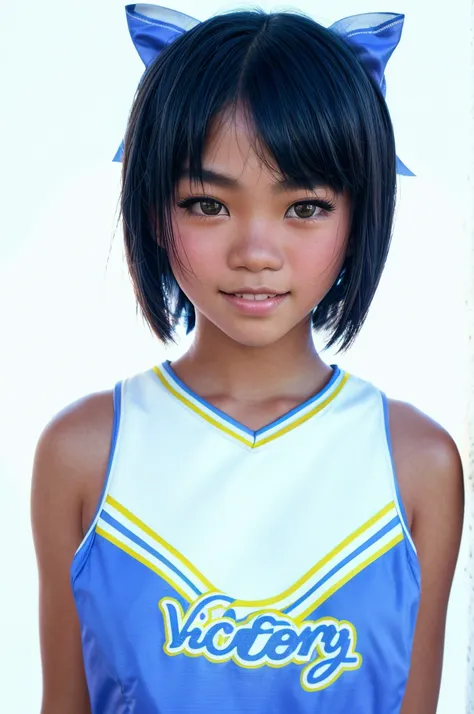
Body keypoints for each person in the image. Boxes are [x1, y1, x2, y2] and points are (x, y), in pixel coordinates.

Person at [31, 5, 464, 714]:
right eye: (208, 204)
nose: (256, 251)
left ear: (362, 213)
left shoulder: (416, 464)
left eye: (305, 207)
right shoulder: (84, 453)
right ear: (152, 208)